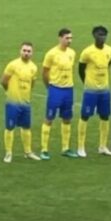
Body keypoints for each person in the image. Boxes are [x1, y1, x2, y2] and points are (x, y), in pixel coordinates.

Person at [78, 25, 111, 157]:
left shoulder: (110, 50)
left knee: (105, 116)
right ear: (94, 36)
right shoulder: (87, 52)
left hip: (104, 90)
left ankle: (103, 146)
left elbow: (108, 65)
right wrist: (87, 83)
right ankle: (81, 147)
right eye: (100, 35)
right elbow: (81, 70)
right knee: (85, 116)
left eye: (104, 35)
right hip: (91, 91)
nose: (102, 37)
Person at [1, 42, 42, 162]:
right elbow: (4, 81)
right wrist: (9, 93)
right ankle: (8, 153)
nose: (26, 53)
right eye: (24, 50)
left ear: (32, 53)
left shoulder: (33, 67)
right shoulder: (13, 65)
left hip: (25, 103)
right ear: (20, 51)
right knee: (10, 127)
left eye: (29, 51)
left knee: (26, 127)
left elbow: (32, 84)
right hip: (12, 102)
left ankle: (28, 152)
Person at [41, 28, 77, 159]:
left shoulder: (72, 53)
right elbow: (45, 72)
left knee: (67, 118)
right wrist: (49, 87)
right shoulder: (51, 54)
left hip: (69, 89)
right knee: (49, 118)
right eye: (67, 38)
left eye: (71, 38)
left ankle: (65, 148)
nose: (69, 41)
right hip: (55, 89)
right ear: (60, 38)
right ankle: (44, 149)